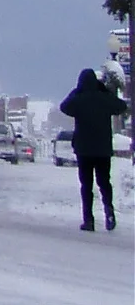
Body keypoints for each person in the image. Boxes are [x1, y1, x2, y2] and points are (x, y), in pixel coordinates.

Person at [59, 67, 127, 232]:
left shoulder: (79, 98)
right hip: (103, 149)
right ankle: (109, 213)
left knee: (86, 185)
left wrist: (77, 90)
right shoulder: (104, 98)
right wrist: (104, 90)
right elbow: (121, 106)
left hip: (84, 149)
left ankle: (88, 220)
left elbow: (64, 106)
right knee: (104, 182)